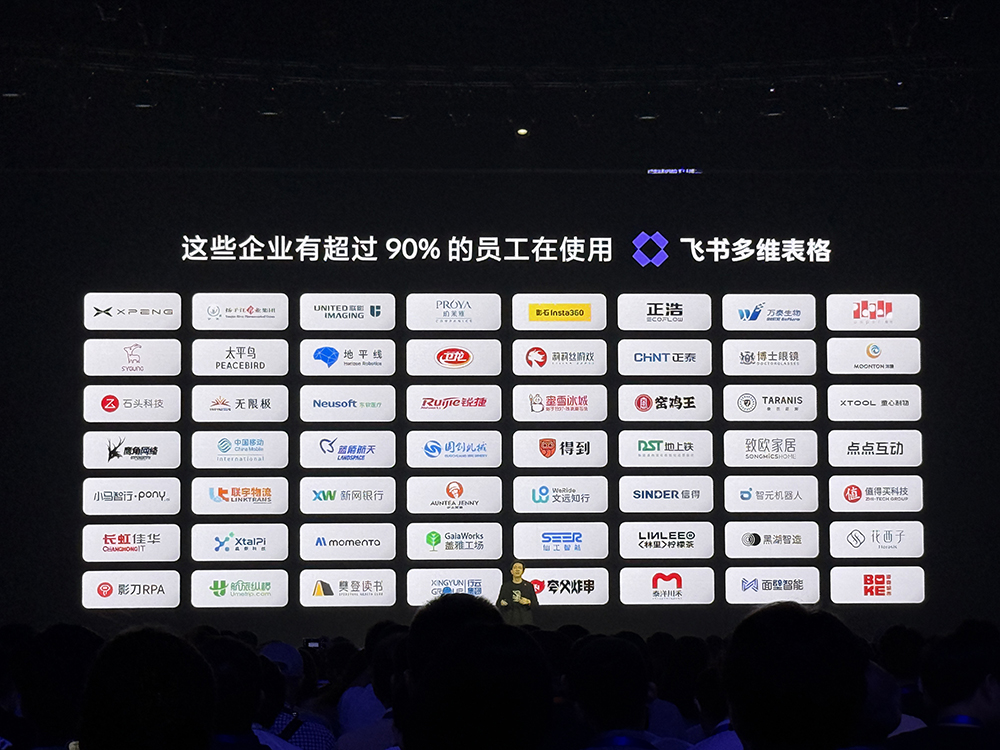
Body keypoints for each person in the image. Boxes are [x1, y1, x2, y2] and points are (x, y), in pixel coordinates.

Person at [495, 561, 539, 626]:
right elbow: (498, 604)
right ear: (511, 571)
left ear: (523, 571)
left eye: (520, 568)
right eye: (515, 567)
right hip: (509, 621)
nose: (517, 569)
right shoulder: (506, 586)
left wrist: (528, 602)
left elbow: (535, 605)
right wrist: (502, 603)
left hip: (525, 621)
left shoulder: (528, 586)